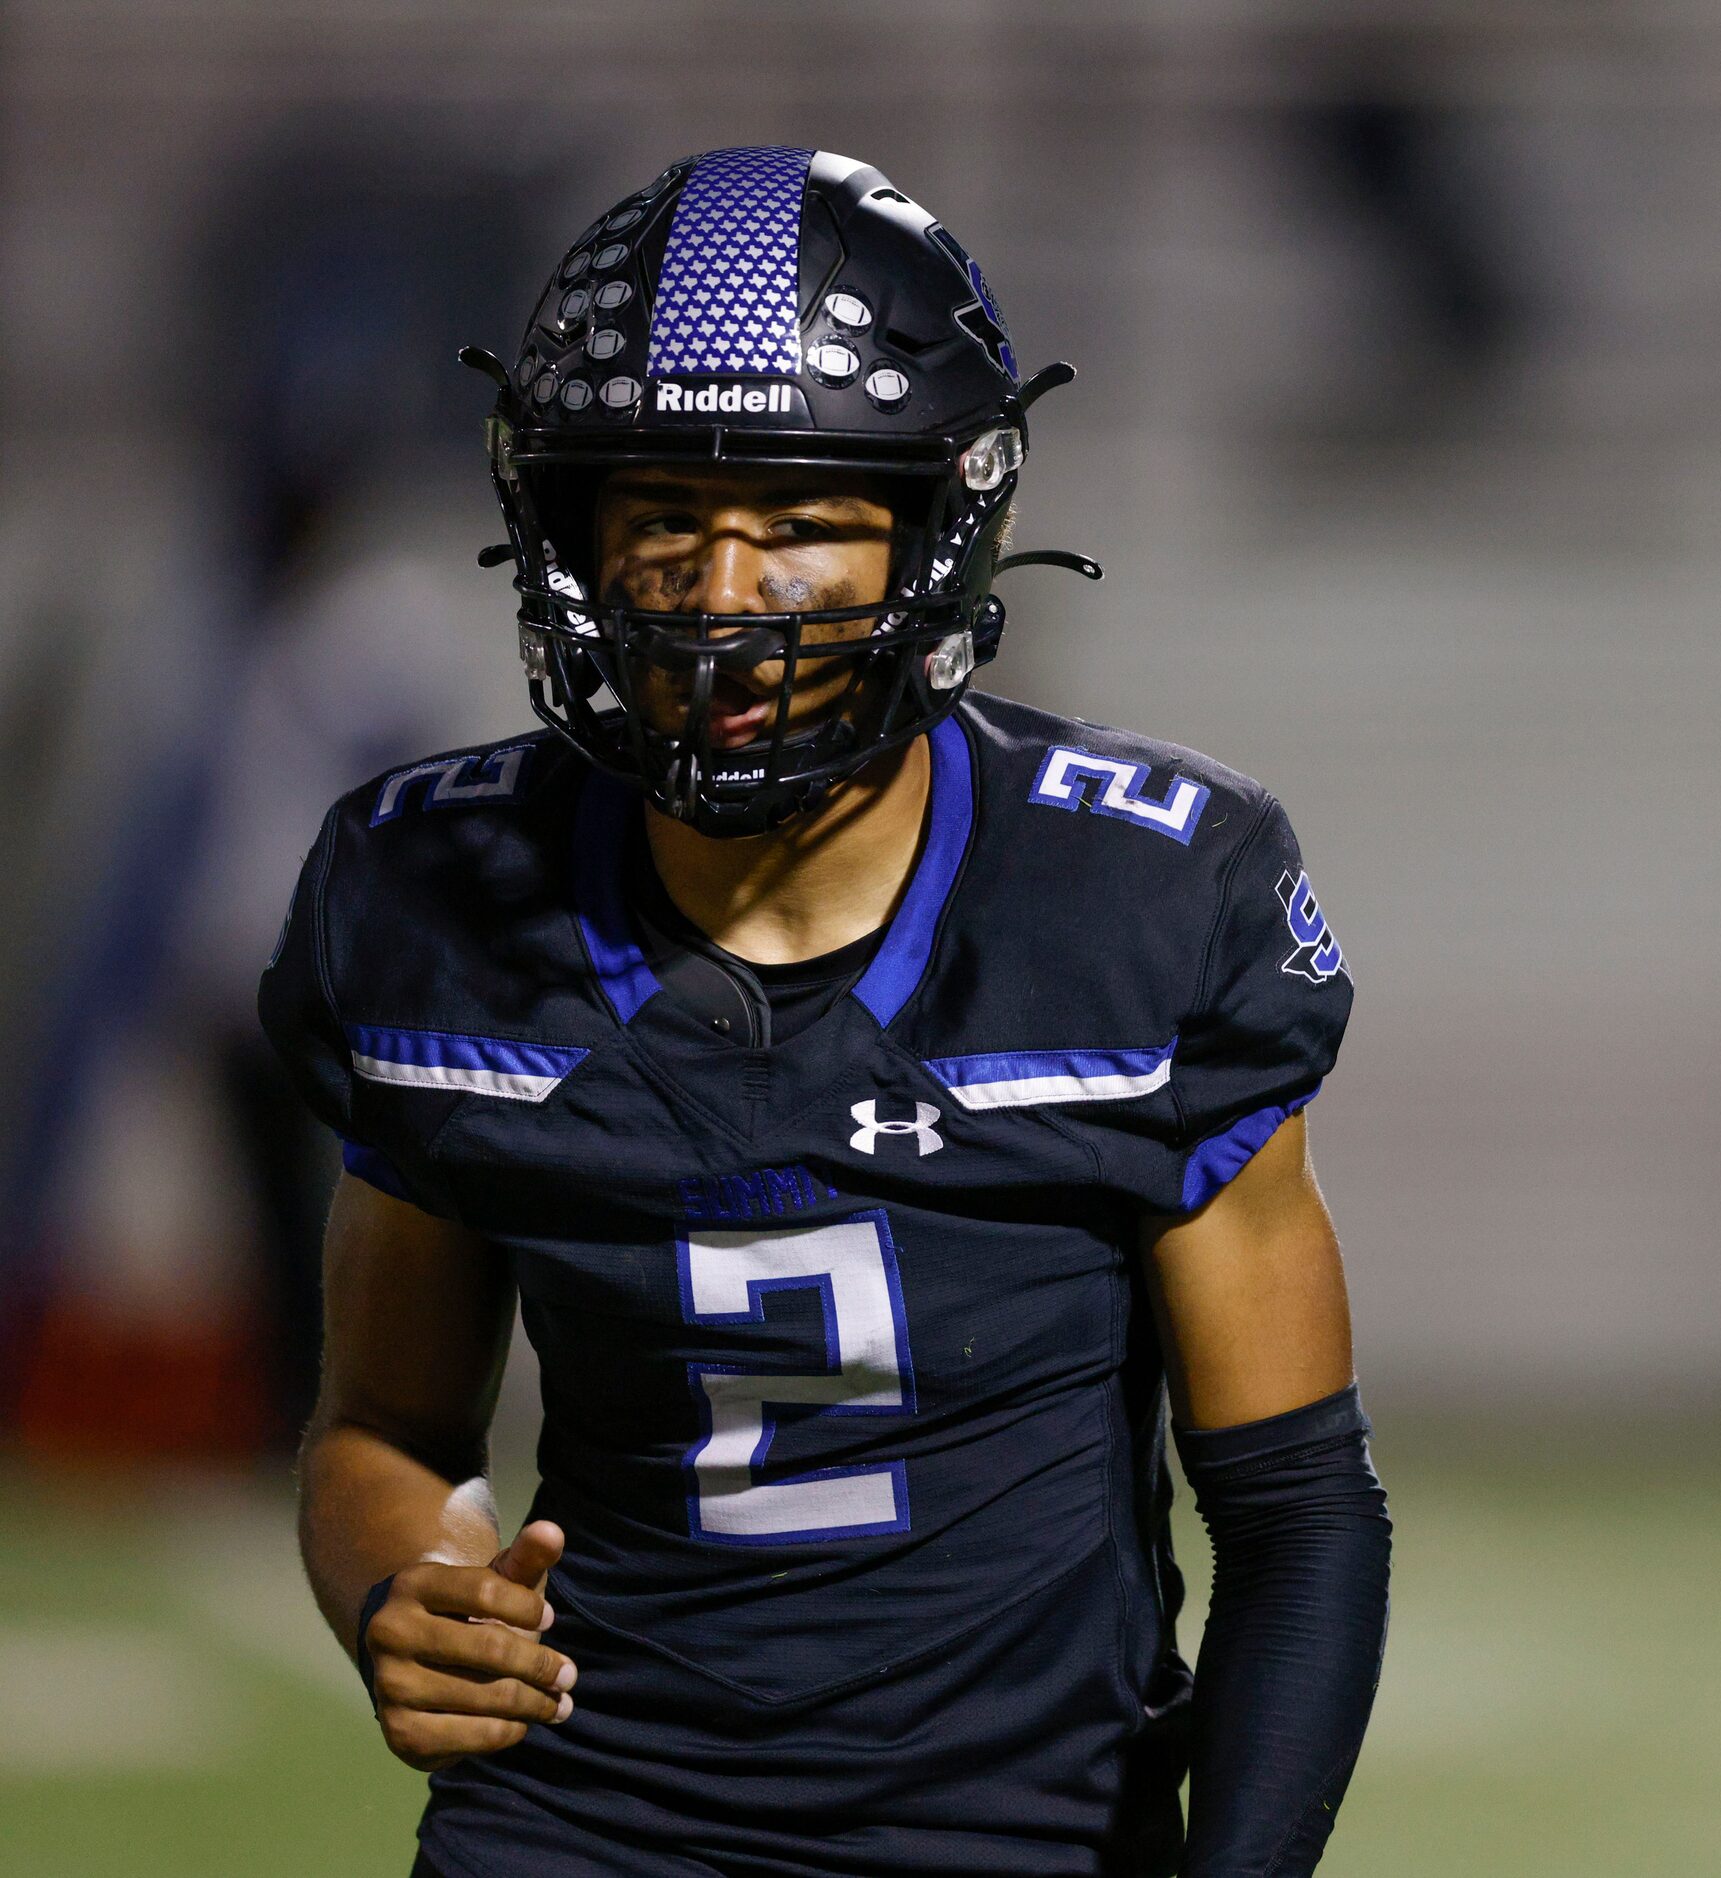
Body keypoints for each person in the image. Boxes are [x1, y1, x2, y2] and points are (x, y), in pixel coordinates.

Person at [260, 147, 1388, 1878]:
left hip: (1023, 1838)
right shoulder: (433, 890)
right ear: (568, 538)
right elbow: (387, 1430)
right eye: (661, 523)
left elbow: (1297, 1511)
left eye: (795, 525)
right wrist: (401, 1585)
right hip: (582, 1825)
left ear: (937, 532)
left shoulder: (1141, 898)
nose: (725, 601)